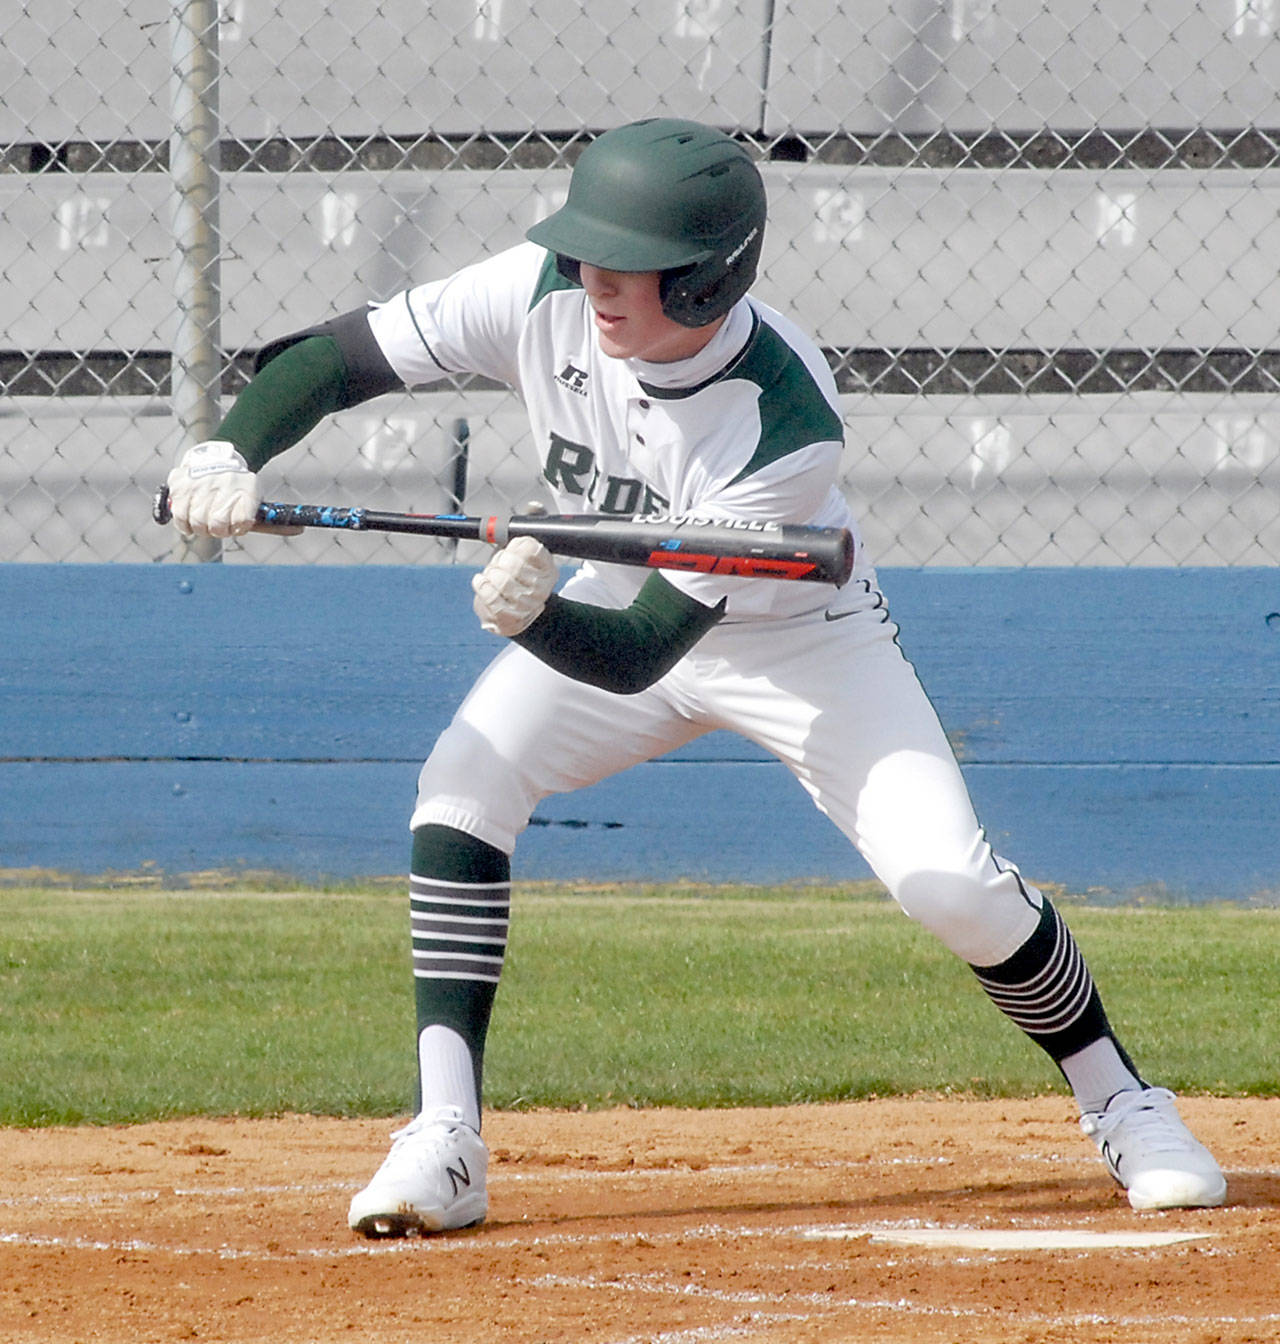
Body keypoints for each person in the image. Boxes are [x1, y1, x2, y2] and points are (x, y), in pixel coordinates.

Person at [165, 117, 1226, 1233]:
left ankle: (1120, 1098)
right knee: (459, 790)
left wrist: (528, 618)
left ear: (709, 278)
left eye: (628, 268)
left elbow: (637, 661)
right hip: (621, 596)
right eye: (585, 256)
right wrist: (228, 451)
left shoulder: (781, 417)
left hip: (799, 645)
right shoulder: (543, 290)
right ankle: (445, 1135)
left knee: (949, 887)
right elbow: (340, 355)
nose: (594, 284)